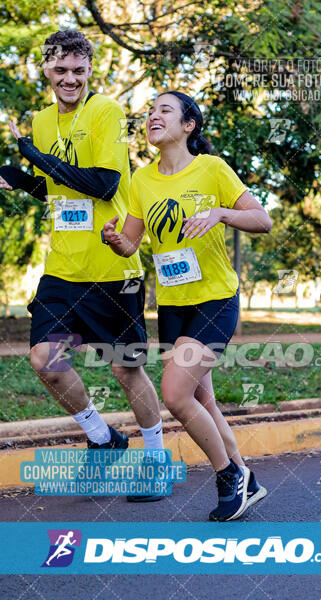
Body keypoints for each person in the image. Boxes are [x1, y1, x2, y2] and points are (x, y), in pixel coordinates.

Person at [0, 30, 164, 501]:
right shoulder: (42, 120)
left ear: (91, 70)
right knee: (46, 361)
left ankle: (153, 460)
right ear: (47, 70)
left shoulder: (105, 112)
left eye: (79, 70)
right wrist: (22, 179)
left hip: (112, 266)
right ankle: (102, 438)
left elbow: (103, 182)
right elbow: (57, 189)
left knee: (126, 370)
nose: (70, 78)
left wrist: (35, 156)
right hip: (63, 268)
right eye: (60, 69)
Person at [102, 90, 272, 520]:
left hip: (215, 299)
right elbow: (132, 244)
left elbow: (262, 219)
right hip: (174, 306)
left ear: (188, 126)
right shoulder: (141, 180)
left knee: (176, 394)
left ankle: (228, 475)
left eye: (165, 110)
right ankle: (246, 478)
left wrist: (220, 213)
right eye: (150, 111)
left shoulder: (211, 168)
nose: (153, 116)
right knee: (203, 400)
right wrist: (117, 240)